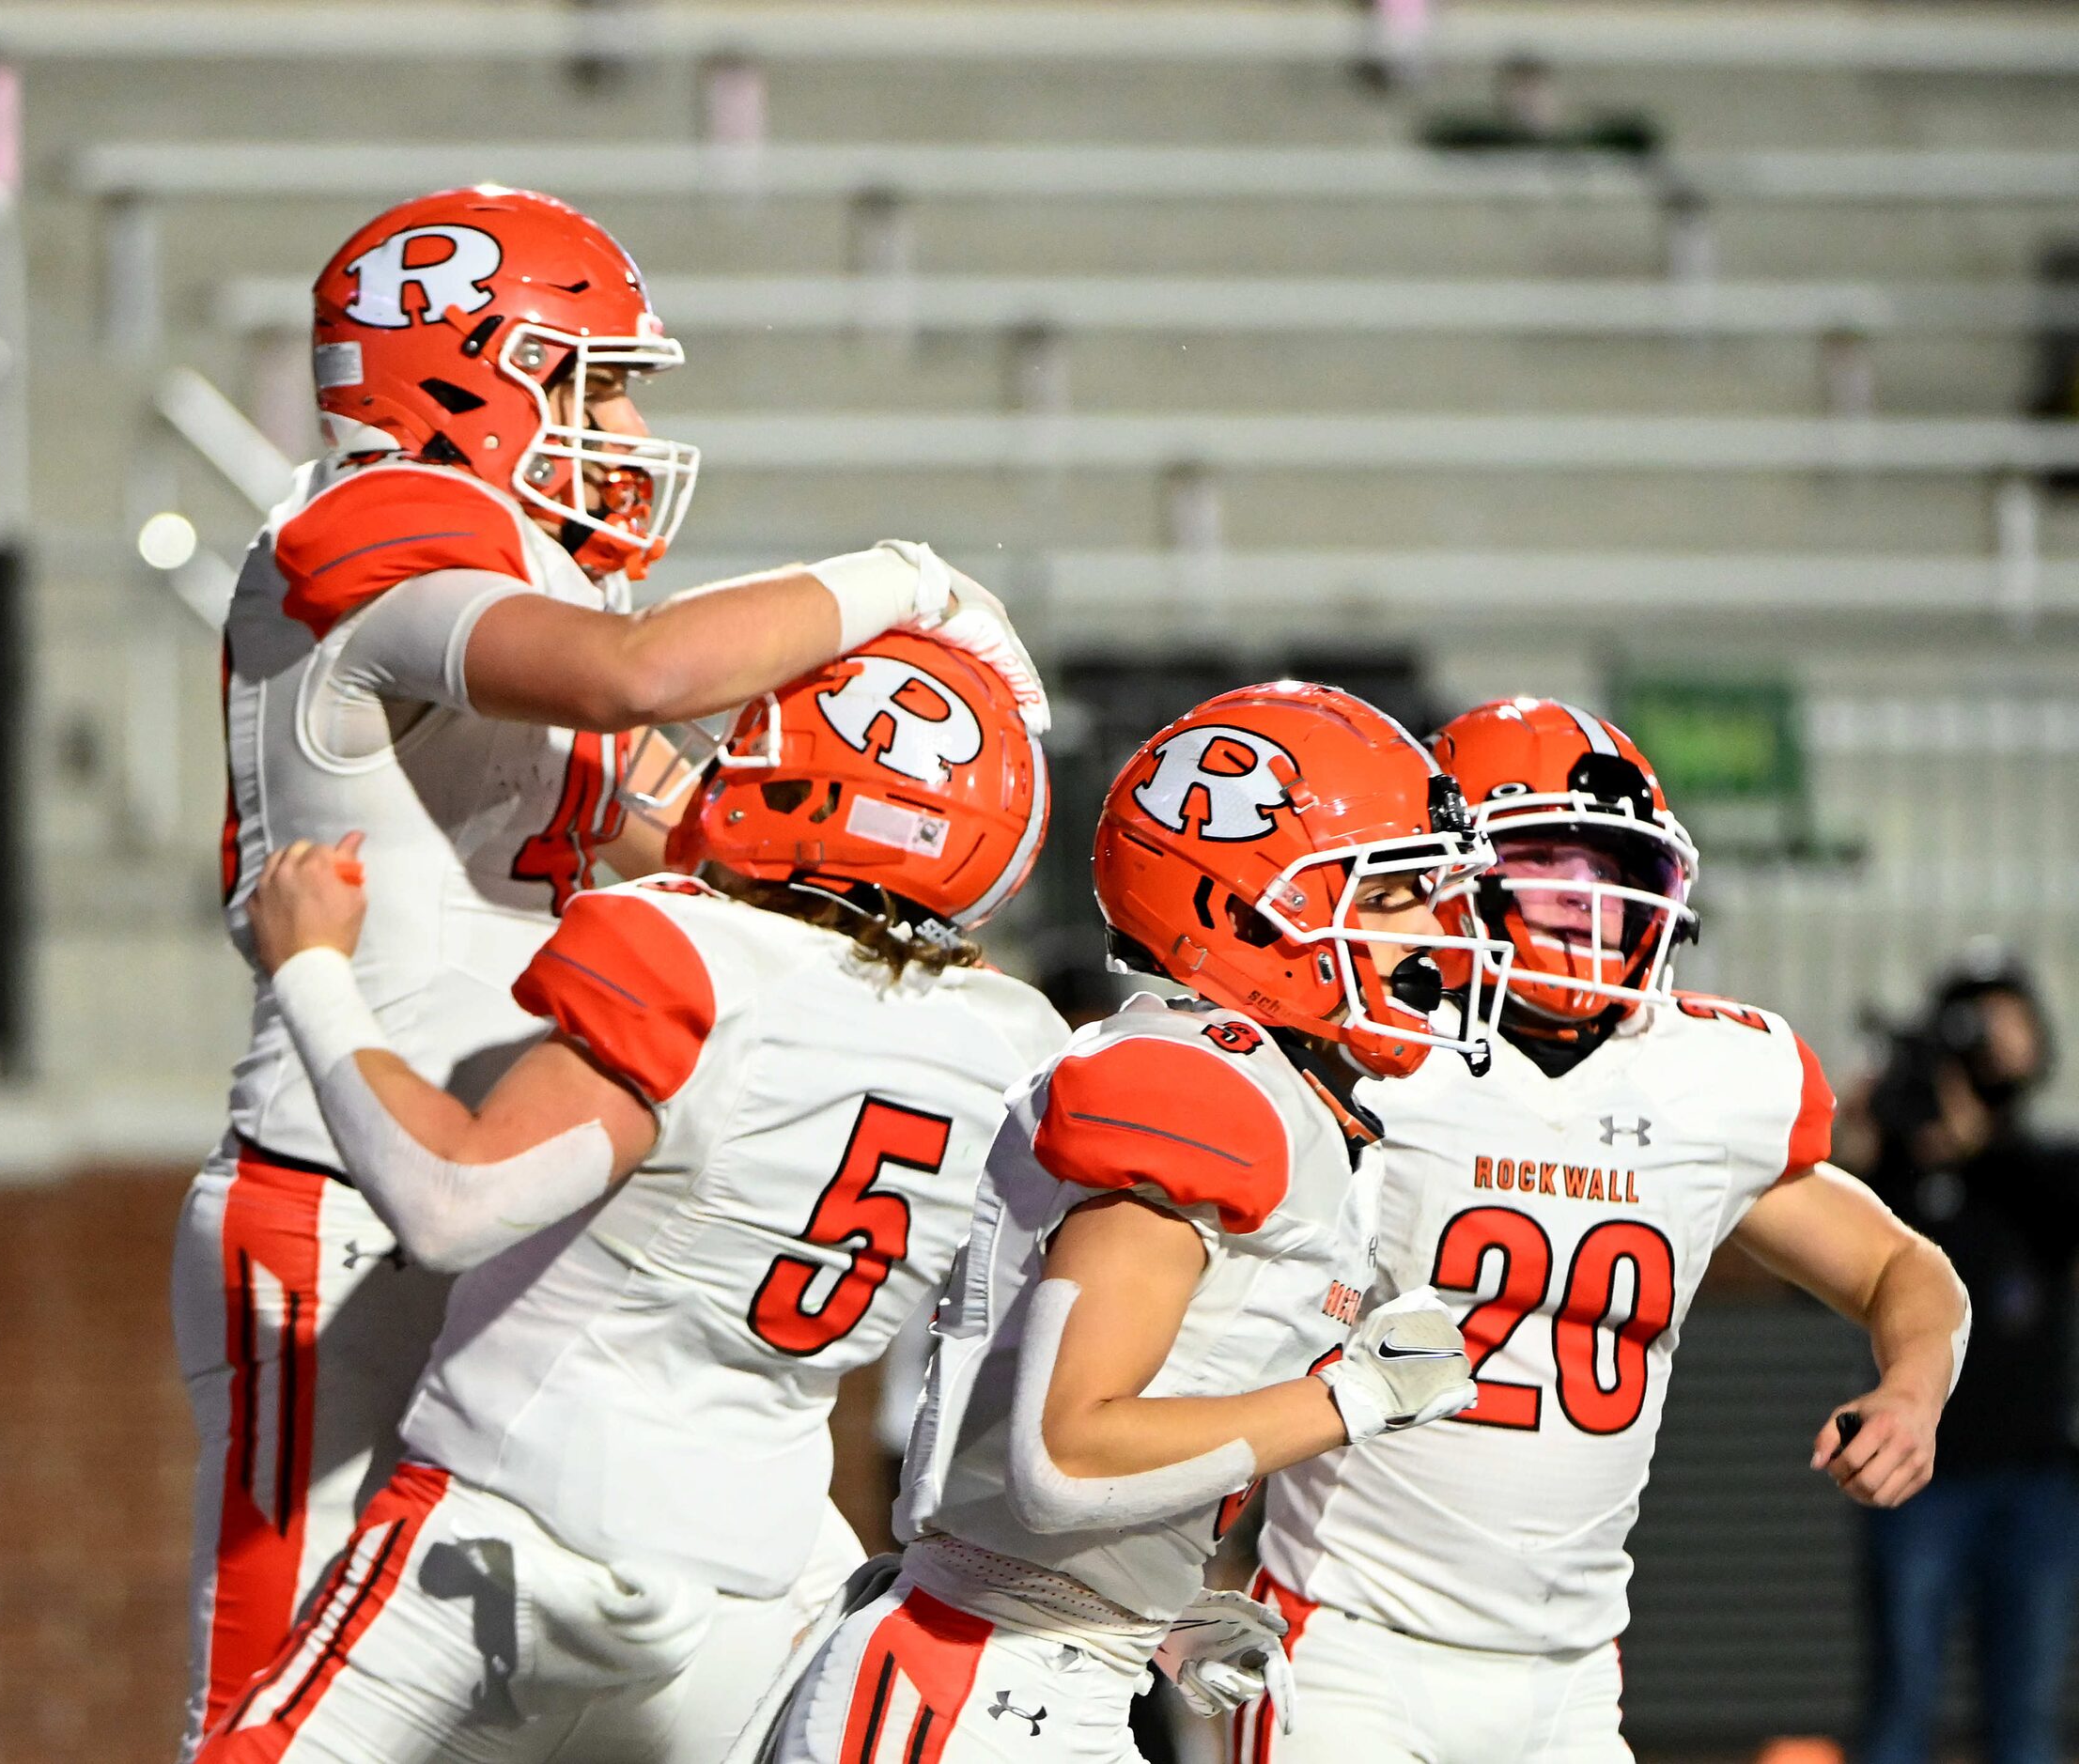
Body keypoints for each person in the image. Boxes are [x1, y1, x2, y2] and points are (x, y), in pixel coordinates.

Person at [175, 182, 1047, 1753]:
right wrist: (902, 579)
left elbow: (672, 822)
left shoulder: (528, 577)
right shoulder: (366, 529)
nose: (625, 419)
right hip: (347, 1193)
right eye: (594, 376)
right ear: (461, 371)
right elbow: (644, 675)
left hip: (520, 1177)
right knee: (282, 1696)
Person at [196, 628, 1066, 1762]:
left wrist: (312, 970)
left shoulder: (690, 956)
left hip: (520, 1521)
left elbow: (454, 1197)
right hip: (750, 1588)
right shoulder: (1011, 1038)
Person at [752, 682, 1504, 1764]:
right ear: (1244, 910)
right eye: (1391, 894)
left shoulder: (1275, 1100)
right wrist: (1351, 1397)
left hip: (1033, 1673)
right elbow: (1063, 1456)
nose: (1434, 932)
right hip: (972, 1684)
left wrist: (1159, 1606)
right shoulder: (1195, 1091)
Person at [1248, 696, 1973, 1764]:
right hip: (1348, 1640)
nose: (1588, 912)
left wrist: (1911, 1389)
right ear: (1454, 877)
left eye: (1611, 874)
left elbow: (1901, 1266)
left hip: (1572, 1671)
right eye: (1551, 872)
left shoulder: (1710, 1082)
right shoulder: (1368, 1054)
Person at [1842, 945, 2079, 1764]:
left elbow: (2057, 1210)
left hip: (2037, 1480)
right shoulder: (1897, 1179)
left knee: (2028, 1720)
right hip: (1922, 1478)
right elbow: (1822, 1273)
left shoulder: (2039, 1171)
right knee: (1902, 1705)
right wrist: (1857, 1145)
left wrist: (1979, 1141)